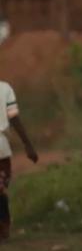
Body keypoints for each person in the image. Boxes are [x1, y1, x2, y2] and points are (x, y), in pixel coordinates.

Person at [0, 80, 38, 241]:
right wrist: (28, 145)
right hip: (1, 148)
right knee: (0, 189)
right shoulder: (4, 88)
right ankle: (3, 227)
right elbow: (14, 119)